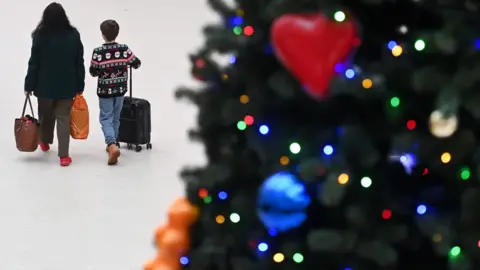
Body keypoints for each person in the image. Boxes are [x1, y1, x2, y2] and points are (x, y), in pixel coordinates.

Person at [24, 2, 85, 167]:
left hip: (44, 86)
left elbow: (34, 63)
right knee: (63, 119)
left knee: (45, 116)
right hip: (67, 86)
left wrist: (29, 85)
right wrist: (80, 85)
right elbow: (79, 62)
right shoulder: (73, 35)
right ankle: (64, 156)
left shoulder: (39, 36)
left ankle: (44, 141)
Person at [89, 19, 141, 165]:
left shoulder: (98, 52)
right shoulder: (124, 49)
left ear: (102, 35)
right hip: (120, 89)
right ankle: (114, 143)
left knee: (106, 118)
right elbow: (136, 63)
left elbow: (93, 71)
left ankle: (111, 144)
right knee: (116, 117)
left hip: (105, 90)